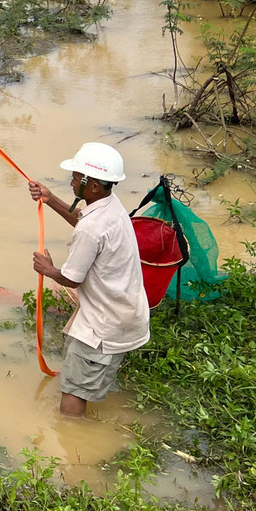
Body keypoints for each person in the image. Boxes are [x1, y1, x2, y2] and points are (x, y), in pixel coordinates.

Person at [27, 142, 149, 417]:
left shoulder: (93, 228)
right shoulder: (110, 206)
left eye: (75, 177)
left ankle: (75, 451)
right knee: (81, 376)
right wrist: (49, 198)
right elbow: (82, 220)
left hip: (104, 324)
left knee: (73, 391)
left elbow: (70, 278)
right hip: (122, 312)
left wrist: (47, 268)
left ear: (93, 185)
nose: (70, 181)